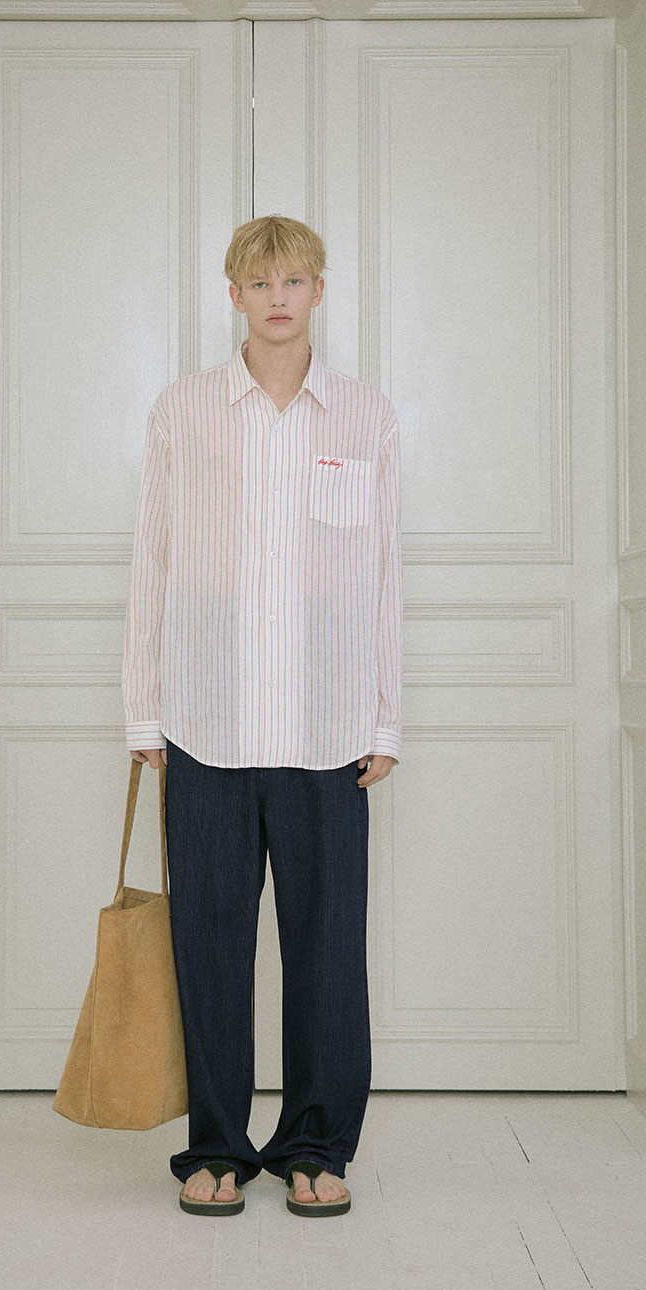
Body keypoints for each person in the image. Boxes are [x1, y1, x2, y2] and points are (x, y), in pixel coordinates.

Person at [123, 209, 401, 1217]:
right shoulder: (185, 410)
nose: (277, 299)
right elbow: (154, 561)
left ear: (319, 291)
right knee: (208, 944)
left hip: (328, 730)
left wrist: (384, 720)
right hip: (207, 723)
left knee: (327, 949)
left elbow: (381, 576)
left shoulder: (364, 416)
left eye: (294, 281)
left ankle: (317, 1145)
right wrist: (144, 710)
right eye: (259, 282)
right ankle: (215, 1145)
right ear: (233, 294)